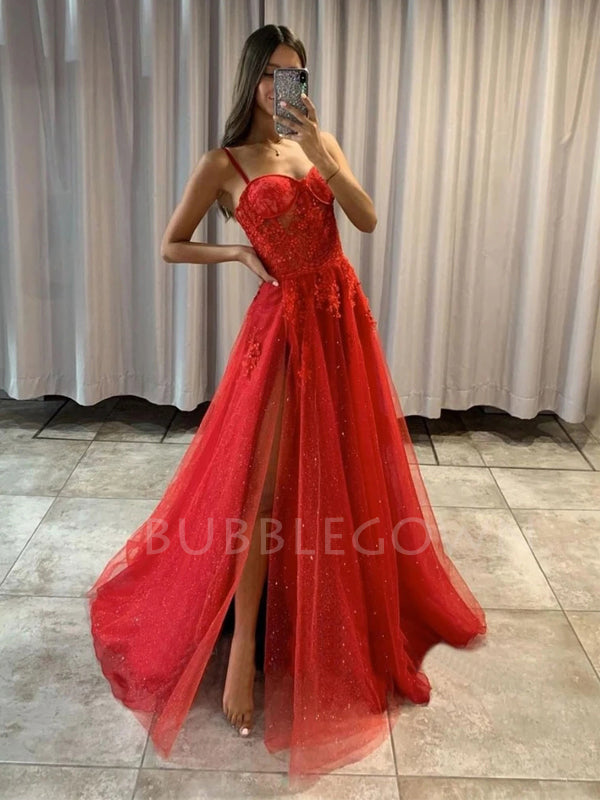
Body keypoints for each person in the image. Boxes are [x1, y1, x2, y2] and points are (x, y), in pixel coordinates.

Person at [86, 23, 486, 790]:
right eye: (271, 75)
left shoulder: (317, 143)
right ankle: (243, 647)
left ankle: (329, 616)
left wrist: (326, 160)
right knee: (262, 493)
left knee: (342, 475)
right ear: (251, 80)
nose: (281, 88)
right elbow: (171, 244)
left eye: (294, 74)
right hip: (281, 329)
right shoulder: (224, 164)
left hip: (340, 319)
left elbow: (365, 219)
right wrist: (237, 251)